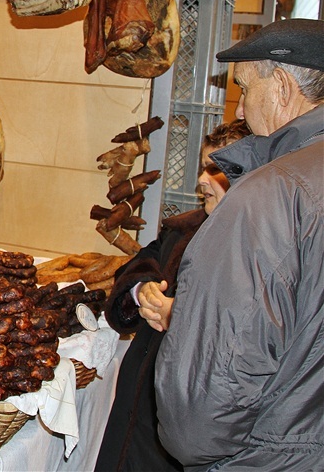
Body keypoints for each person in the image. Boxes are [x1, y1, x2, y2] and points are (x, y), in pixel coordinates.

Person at [155, 18, 324, 470]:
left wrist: (193, 447)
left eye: (245, 89)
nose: (242, 112)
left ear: (283, 86)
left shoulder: (271, 195)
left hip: (270, 456)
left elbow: (211, 387)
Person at [94, 119, 250, 472]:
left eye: (215, 169)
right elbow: (137, 266)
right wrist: (141, 290)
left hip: (190, 422)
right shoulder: (183, 228)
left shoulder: (254, 246)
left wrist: (180, 316)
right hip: (137, 409)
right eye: (202, 167)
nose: (201, 180)